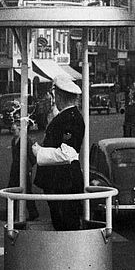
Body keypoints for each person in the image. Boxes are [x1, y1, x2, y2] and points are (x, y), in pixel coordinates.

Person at [33, 75, 85, 231]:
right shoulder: (67, 116)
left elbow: (66, 154)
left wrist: (39, 152)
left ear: (61, 97)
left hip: (64, 182)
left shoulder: (71, 119)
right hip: (60, 182)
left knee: (66, 225)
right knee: (62, 223)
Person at [9, 115, 38, 221]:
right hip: (15, 169)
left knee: (27, 191)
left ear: (20, 129)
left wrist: (29, 167)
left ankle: (33, 212)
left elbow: (32, 156)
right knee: (12, 190)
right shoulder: (14, 140)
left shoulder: (26, 140)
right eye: (12, 130)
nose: (13, 132)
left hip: (25, 169)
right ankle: (11, 214)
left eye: (14, 130)